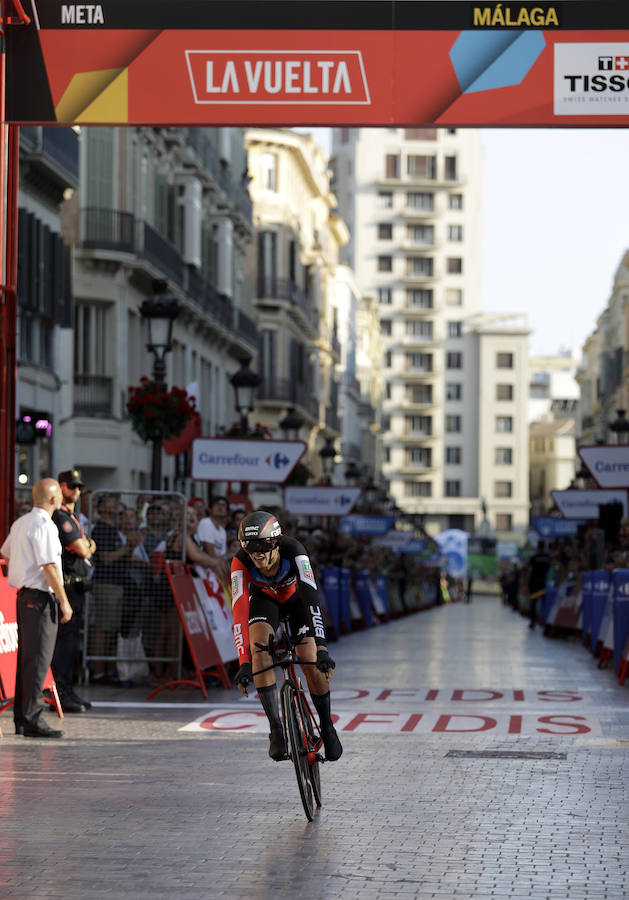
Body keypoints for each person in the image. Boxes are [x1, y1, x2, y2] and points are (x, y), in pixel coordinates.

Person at [231, 510, 342, 762]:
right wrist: (244, 663)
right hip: (265, 601)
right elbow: (239, 611)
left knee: (309, 658)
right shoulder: (239, 562)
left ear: (277, 542)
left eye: (264, 544)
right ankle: (276, 728)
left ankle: (327, 726)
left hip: (296, 599)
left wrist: (322, 648)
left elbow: (312, 598)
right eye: (250, 546)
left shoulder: (295, 550)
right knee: (260, 652)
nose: (257, 553)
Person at [0, 478, 73, 738]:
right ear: (56, 500)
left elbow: (6, 552)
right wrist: (64, 600)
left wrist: (24, 565)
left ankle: (23, 717)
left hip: (23, 596)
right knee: (38, 660)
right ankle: (32, 718)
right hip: (40, 597)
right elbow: (50, 565)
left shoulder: (21, 523)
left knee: (28, 659)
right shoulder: (44, 525)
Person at [51, 469, 96, 713]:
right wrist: (88, 547)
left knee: (71, 642)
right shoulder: (59, 515)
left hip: (76, 585)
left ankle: (66, 688)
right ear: (60, 487)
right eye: (71, 486)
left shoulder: (69, 514)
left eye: (78, 487)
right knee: (65, 643)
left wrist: (87, 546)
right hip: (67, 585)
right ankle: (60, 690)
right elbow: (82, 547)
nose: (76, 491)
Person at [197, 496, 230, 584]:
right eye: (217, 505)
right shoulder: (205, 523)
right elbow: (210, 553)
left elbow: (223, 557)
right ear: (210, 509)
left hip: (216, 571)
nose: (220, 507)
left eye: (223, 505)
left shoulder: (222, 530)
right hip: (204, 572)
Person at [527, 542, 551, 629]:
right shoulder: (547, 557)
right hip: (544, 583)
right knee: (545, 603)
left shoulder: (534, 558)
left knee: (533, 603)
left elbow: (530, 570)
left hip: (534, 583)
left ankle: (533, 622)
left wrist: (527, 582)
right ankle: (545, 621)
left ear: (538, 548)